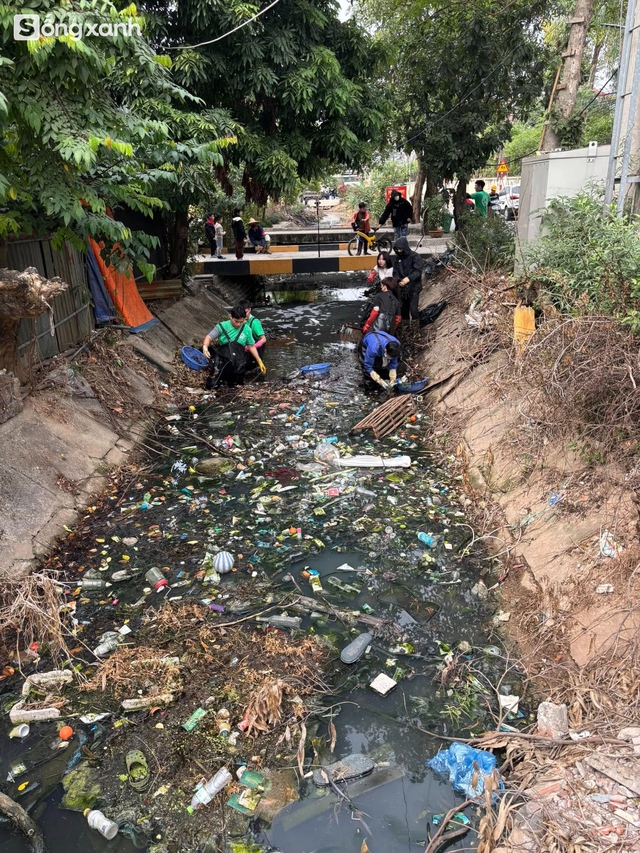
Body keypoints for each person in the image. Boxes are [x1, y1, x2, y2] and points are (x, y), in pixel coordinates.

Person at [202, 306, 266, 388]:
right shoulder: (222, 326)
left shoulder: (247, 330)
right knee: (213, 385)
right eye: (236, 321)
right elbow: (209, 337)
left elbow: (251, 346)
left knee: (236, 385)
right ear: (231, 317)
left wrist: (259, 360)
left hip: (238, 362)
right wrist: (205, 347)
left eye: (241, 322)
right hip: (222, 360)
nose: (238, 324)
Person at [392, 237, 424, 326]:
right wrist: (399, 280)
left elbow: (417, 271)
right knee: (404, 311)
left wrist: (408, 279)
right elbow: (395, 272)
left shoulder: (415, 257)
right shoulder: (398, 259)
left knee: (414, 310)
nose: (399, 251)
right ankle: (405, 330)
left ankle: (415, 330)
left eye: (400, 249)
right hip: (403, 288)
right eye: (397, 249)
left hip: (414, 287)